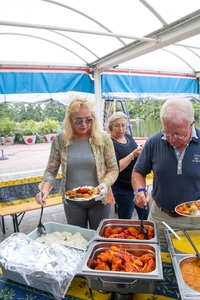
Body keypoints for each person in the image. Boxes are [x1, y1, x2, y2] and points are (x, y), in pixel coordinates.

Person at [35, 96, 119, 230]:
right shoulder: (61, 140)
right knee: (77, 238)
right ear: (70, 120)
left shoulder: (103, 138)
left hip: (99, 199)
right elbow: (51, 170)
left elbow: (113, 169)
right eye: (78, 120)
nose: (84, 124)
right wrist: (44, 190)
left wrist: (104, 184)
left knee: (98, 236)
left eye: (88, 120)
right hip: (72, 201)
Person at [132, 98, 200, 247]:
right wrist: (140, 191)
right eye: (167, 132)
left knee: (192, 266)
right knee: (155, 263)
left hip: (196, 223)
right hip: (159, 218)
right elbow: (138, 171)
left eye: (178, 134)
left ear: (191, 124)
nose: (171, 139)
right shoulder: (154, 141)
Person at [107, 111, 150, 220]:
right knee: (125, 219)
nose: (120, 129)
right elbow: (115, 168)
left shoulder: (128, 137)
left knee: (146, 214)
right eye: (117, 126)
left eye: (123, 125)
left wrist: (141, 150)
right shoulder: (109, 143)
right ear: (111, 126)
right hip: (123, 188)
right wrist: (132, 154)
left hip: (137, 186)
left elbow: (136, 153)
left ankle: (145, 235)